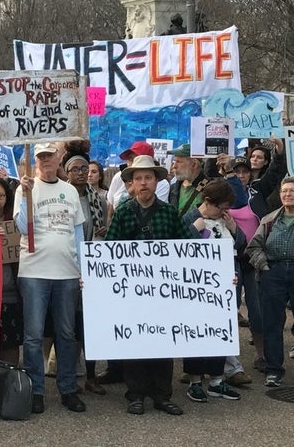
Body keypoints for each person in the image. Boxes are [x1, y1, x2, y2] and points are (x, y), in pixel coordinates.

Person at [105, 155, 193, 416]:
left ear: (156, 181)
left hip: (163, 293)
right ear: (131, 183)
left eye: (148, 178)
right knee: (135, 343)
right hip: (133, 293)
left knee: (163, 343)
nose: (143, 183)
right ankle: (136, 394)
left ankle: (162, 395)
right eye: (138, 178)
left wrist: (219, 274)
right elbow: (108, 251)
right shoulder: (123, 212)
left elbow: (191, 248)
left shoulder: (169, 213)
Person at [14, 142, 87, 415]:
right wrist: (24, 195)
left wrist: (82, 269)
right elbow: (22, 227)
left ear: (59, 159)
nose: (45, 160)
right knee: (33, 336)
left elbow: (77, 233)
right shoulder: (25, 188)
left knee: (67, 334)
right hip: (34, 271)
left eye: (49, 156)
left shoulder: (69, 191)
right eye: (41, 156)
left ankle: (67, 389)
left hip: (67, 272)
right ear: (35, 160)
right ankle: (36, 390)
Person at [181, 180, 244, 402]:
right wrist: (192, 230)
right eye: (222, 207)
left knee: (219, 331)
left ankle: (217, 380)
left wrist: (235, 229)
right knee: (196, 332)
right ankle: (195, 381)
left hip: (223, 288)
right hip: (196, 289)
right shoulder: (190, 218)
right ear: (208, 202)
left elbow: (242, 246)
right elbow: (176, 249)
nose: (225, 212)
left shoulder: (225, 220)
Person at [62, 145, 108, 396]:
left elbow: (102, 229)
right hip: (66, 266)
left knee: (89, 325)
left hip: (91, 270)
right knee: (69, 327)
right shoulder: (62, 197)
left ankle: (91, 376)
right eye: (75, 169)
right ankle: (70, 375)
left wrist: (103, 234)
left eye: (84, 169)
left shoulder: (98, 199)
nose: (81, 173)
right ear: (66, 172)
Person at [245, 176, 294, 387]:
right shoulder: (269, 220)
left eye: (292, 191)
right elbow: (253, 248)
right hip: (273, 272)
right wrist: (264, 266)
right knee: (273, 323)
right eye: (284, 191)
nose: (288, 194)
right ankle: (274, 370)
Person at [0, 175, 23, 366]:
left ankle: (9, 388)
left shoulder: (15, 221)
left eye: (0, 196)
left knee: (10, 345)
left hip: (10, 293)